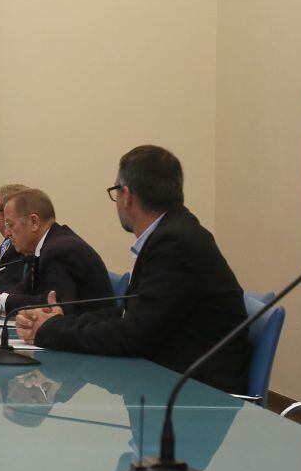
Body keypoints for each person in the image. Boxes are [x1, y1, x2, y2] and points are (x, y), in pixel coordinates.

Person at [15, 145, 251, 393]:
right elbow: (129, 314)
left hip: (197, 396)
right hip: (169, 380)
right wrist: (60, 322)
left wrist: (51, 330)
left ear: (126, 195)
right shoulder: (172, 233)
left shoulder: (175, 243)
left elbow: (133, 335)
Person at [0, 188, 113, 314]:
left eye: (10, 224)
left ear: (34, 222)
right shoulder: (47, 245)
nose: (7, 233)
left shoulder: (61, 250)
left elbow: (55, 304)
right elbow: (26, 289)